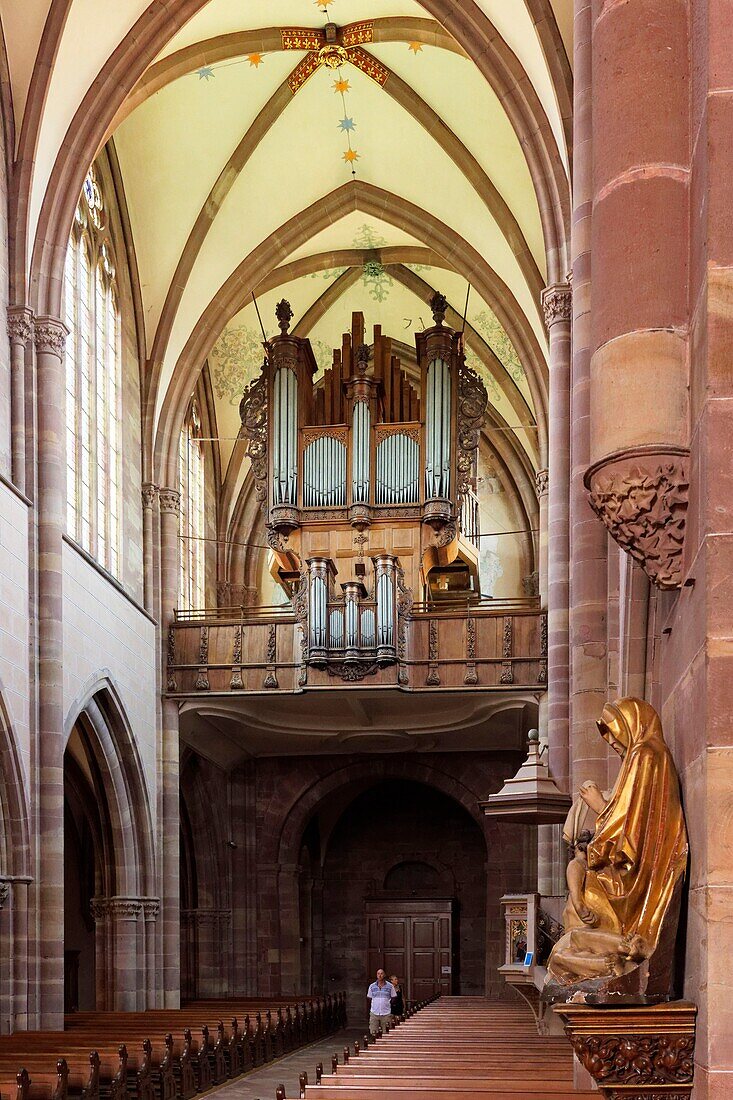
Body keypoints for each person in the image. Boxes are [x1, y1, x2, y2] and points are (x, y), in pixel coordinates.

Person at [546, 698, 688, 990]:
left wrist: (599, 806)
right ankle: (617, 954)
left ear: (631, 723)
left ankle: (622, 951)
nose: (610, 740)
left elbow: (632, 827)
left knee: (580, 915)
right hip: (645, 865)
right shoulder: (649, 755)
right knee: (572, 931)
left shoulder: (645, 755)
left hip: (639, 871)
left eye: (612, 730)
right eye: (605, 733)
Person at [367, 968, 395, 1034]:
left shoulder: (390, 986)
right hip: (374, 1012)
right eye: (378, 974)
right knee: (373, 1032)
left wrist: (386, 1003)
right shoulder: (372, 986)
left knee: (386, 1032)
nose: (380, 975)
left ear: (384, 975)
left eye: (381, 973)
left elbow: (393, 997)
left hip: (386, 1013)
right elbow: (369, 998)